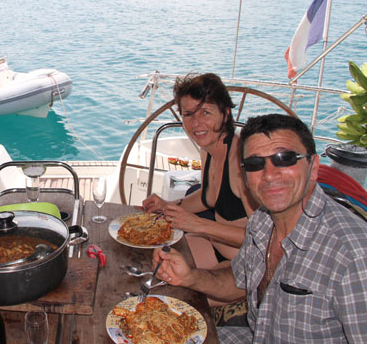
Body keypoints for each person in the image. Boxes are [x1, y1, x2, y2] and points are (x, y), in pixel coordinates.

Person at [152, 114, 367, 342]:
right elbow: (237, 282)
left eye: (284, 159)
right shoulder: (262, 222)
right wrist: (190, 277)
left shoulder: (353, 255)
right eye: (255, 164)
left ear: (313, 167)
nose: (269, 175)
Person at [143, 73, 256, 271]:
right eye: (188, 114)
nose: (196, 123)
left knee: (166, 278)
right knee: (150, 257)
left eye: (205, 112)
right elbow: (208, 198)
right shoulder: (208, 149)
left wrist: (199, 225)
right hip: (213, 244)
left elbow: (264, 238)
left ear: (225, 113)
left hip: (246, 265)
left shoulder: (241, 162)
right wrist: (166, 205)